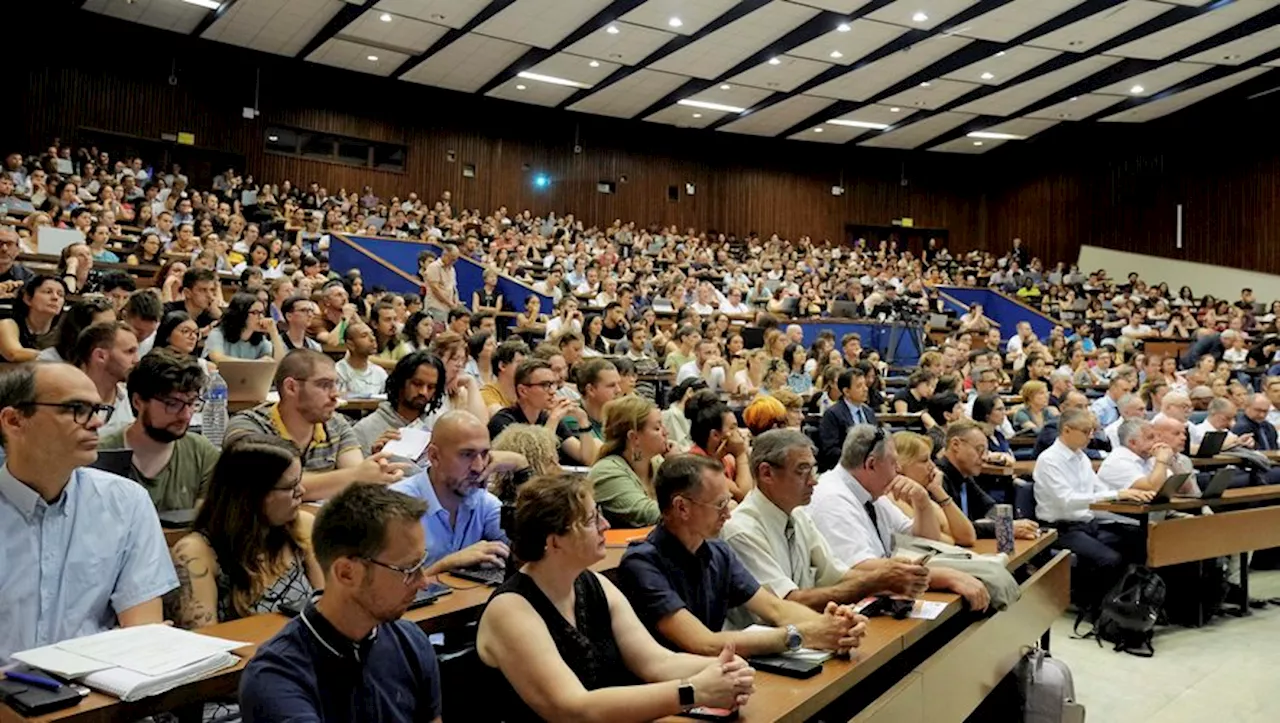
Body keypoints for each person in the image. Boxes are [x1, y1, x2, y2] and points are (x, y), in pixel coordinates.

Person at [475, 474, 755, 722]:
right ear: (553, 541)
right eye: (590, 520)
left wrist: (726, 668)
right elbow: (572, 710)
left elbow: (656, 662)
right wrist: (694, 691)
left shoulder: (593, 583)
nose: (605, 525)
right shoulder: (510, 610)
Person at [0, 363, 176, 659]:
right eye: (76, 409)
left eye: (98, 410)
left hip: (92, 693)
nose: (95, 423)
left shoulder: (127, 502)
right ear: (15, 420)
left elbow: (143, 637)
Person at [618, 454, 866, 655]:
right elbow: (702, 643)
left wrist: (832, 627)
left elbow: (775, 608)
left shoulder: (718, 552)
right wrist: (801, 635)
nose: (728, 514)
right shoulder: (642, 563)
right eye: (719, 505)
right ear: (682, 507)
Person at [238, 483, 443, 723]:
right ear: (346, 573)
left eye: (422, 564)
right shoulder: (276, 678)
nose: (424, 582)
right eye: (409, 569)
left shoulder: (411, 642)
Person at [807, 426, 991, 611]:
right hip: (851, 610)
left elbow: (925, 540)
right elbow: (859, 568)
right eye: (893, 462)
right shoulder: (832, 499)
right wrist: (944, 576)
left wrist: (922, 502)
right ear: (871, 464)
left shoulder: (871, 492)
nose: (898, 468)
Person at [721, 429, 887, 611]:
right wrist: (874, 582)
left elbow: (836, 575)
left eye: (813, 469)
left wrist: (891, 576)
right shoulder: (741, 531)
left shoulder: (798, 515)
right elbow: (786, 604)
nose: (813, 481)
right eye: (802, 471)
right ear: (766, 473)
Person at [170, 435, 322, 628]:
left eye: (299, 482)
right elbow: (204, 642)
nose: (301, 492)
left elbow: (329, 611)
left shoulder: (303, 527)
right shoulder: (195, 553)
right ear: (252, 496)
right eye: (290, 487)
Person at [227, 349, 405, 500]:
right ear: (291, 387)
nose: (335, 394)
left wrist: (375, 470)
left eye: (336, 384)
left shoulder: (337, 424)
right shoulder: (248, 426)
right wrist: (357, 476)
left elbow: (355, 476)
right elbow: (268, 487)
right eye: (324, 385)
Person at [1033, 409, 1153, 607]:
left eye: (1093, 431)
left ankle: (1131, 604)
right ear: (1067, 430)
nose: (1091, 436)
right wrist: (1116, 494)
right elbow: (1067, 499)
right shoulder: (1049, 460)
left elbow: (1099, 488)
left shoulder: (1081, 458)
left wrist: (1129, 494)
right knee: (1109, 559)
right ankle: (1098, 608)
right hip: (1060, 529)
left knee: (1138, 538)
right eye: (1086, 431)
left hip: (1088, 523)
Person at [389, 411, 516, 575]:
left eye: (484, 454)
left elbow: (530, 551)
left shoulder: (482, 500)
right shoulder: (397, 506)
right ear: (434, 456)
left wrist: (522, 467)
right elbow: (386, 592)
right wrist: (447, 564)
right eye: (467, 454)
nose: (479, 467)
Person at [98, 349, 218, 512]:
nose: (185, 415)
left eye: (191, 403)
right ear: (138, 402)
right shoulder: (100, 455)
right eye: (172, 403)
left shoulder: (202, 453)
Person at [935, 421, 1040, 540]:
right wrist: (1004, 527)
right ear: (955, 445)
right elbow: (954, 528)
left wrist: (1018, 525)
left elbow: (990, 508)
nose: (984, 458)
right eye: (980, 450)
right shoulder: (937, 480)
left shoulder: (965, 477)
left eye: (986, 452)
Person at [489, 358, 600, 466]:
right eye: (545, 385)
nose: (553, 391)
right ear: (523, 391)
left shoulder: (546, 418)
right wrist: (554, 419)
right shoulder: (504, 421)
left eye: (553, 384)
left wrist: (583, 420)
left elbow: (587, 459)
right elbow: (536, 462)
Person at [589, 395, 667, 527]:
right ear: (634, 437)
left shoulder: (657, 462)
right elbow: (649, 514)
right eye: (657, 428)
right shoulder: (606, 472)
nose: (666, 432)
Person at [352, 351, 448, 457]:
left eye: (430, 387)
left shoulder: (441, 425)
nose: (423, 392)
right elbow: (356, 472)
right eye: (417, 384)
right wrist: (375, 457)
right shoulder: (365, 429)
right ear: (401, 383)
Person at [891, 430, 978, 546]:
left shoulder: (922, 498)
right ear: (898, 466)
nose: (932, 466)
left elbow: (968, 537)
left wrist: (938, 491)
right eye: (924, 460)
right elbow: (937, 542)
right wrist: (951, 538)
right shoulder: (890, 500)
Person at [69, 320, 139, 439]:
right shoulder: (65, 399)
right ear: (100, 356)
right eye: (129, 352)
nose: (136, 360)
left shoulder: (132, 398)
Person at [686, 390, 754, 501]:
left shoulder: (726, 458)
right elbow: (745, 496)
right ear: (715, 435)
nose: (739, 432)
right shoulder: (696, 464)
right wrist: (741, 454)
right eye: (732, 428)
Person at [817, 364, 877, 472]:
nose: (865, 389)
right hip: (844, 468)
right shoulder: (832, 414)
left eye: (865, 385)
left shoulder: (869, 412)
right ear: (846, 391)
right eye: (859, 386)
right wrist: (857, 460)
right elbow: (830, 449)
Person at [204, 292, 285, 363]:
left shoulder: (260, 340)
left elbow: (280, 363)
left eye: (262, 312)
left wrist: (273, 333)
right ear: (241, 314)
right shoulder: (217, 334)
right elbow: (218, 359)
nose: (261, 317)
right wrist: (256, 363)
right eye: (255, 312)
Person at [0, 275, 65, 362]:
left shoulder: (63, 330)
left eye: (60, 294)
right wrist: (59, 360)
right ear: (28, 299)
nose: (55, 298)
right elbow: (14, 353)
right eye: (48, 292)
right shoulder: (8, 324)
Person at [36, 296, 115, 364]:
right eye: (101, 327)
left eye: (114, 326)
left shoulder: (113, 359)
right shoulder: (47, 361)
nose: (111, 333)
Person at [334, 320, 387, 397]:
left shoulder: (379, 372)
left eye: (372, 334)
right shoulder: (338, 372)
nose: (372, 338)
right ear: (350, 344)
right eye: (364, 336)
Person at [165, 267, 222, 334]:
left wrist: (218, 314)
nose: (210, 296)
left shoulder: (211, 316)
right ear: (187, 293)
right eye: (203, 290)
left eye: (212, 290)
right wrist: (201, 333)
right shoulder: (169, 312)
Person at [481, 339, 529, 414]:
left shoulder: (528, 392)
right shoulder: (487, 393)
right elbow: (502, 419)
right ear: (502, 366)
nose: (526, 368)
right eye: (520, 364)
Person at [578, 358, 622, 438]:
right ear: (590, 390)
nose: (618, 390)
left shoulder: (620, 417)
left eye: (619, 384)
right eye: (611, 385)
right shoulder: (573, 417)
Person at [422, 244, 460, 322]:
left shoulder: (452, 269)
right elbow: (435, 289)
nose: (453, 262)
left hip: (448, 307)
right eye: (452, 259)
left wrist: (456, 301)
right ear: (445, 255)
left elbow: (453, 287)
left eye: (455, 260)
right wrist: (450, 303)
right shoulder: (434, 267)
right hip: (436, 306)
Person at [122, 289, 164, 357]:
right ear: (124, 316)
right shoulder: (110, 339)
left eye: (150, 332)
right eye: (138, 330)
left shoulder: (160, 340)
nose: (144, 336)